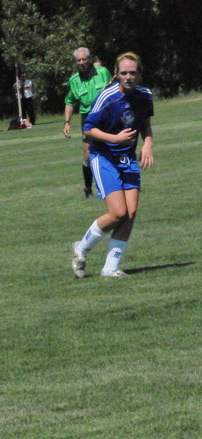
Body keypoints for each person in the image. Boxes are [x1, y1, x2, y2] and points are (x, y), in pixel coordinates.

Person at [70, 52, 154, 278]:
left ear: (139, 74)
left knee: (131, 213)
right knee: (118, 213)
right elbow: (88, 128)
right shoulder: (106, 97)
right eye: (124, 73)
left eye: (133, 73)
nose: (128, 77)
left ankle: (110, 268)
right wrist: (115, 139)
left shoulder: (145, 95)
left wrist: (147, 145)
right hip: (103, 157)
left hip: (127, 159)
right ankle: (81, 249)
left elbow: (145, 126)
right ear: (116, 74)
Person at [63, 47, 112, 198]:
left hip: (107, 115)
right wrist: (67, 122)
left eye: (84, 59)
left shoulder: (103, 72)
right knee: (87, 155)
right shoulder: (74, 81)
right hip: (88, 118)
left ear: (89, 59)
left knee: (112, 149)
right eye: (78, 60)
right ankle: (88, 188)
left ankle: (115, 184)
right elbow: (69, 102)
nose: (82, 62)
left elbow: (115, 89)